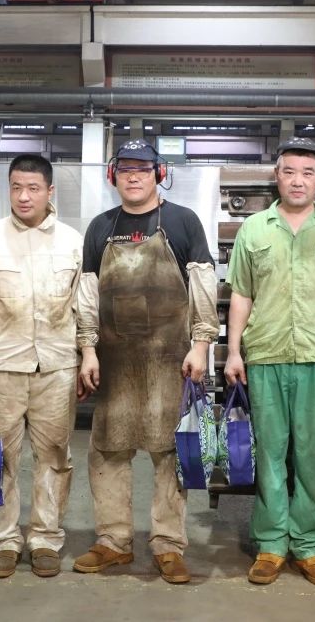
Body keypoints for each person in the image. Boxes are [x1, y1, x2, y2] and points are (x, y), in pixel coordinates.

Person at [72, 140, 219, 585]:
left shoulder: (182, 221)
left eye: (142, 168)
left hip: (169, 360)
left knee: (168, 454)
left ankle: (168, 545)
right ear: (112, 175)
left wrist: (201, 344)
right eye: (125, 169)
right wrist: (88, 349)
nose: (133, 176)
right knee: (108, 451)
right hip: (115, 362)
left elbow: (203, 284)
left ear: (160, 174)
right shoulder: (100, 227)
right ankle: (113, 542)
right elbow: (86, 292)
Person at [223, 136, 315, 588]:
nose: (298, 181)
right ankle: (270, 544)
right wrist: (234, 351)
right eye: (289, 172)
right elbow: (241, 294)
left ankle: (310, 545)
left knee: (313, 453)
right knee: (270, 453)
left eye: (307, 173)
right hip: (266, 354)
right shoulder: (253, 229)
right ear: (277, 176)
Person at [0, 154, 84, 579]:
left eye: (33, 188)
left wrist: (87, 355)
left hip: (57, 367)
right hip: (2, 369)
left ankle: (46, 539)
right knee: (1, 459)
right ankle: (4, 543)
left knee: (54, 456)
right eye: (16, 187)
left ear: (50, 191)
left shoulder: (72, 241)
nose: (24, 196)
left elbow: (83, 307)